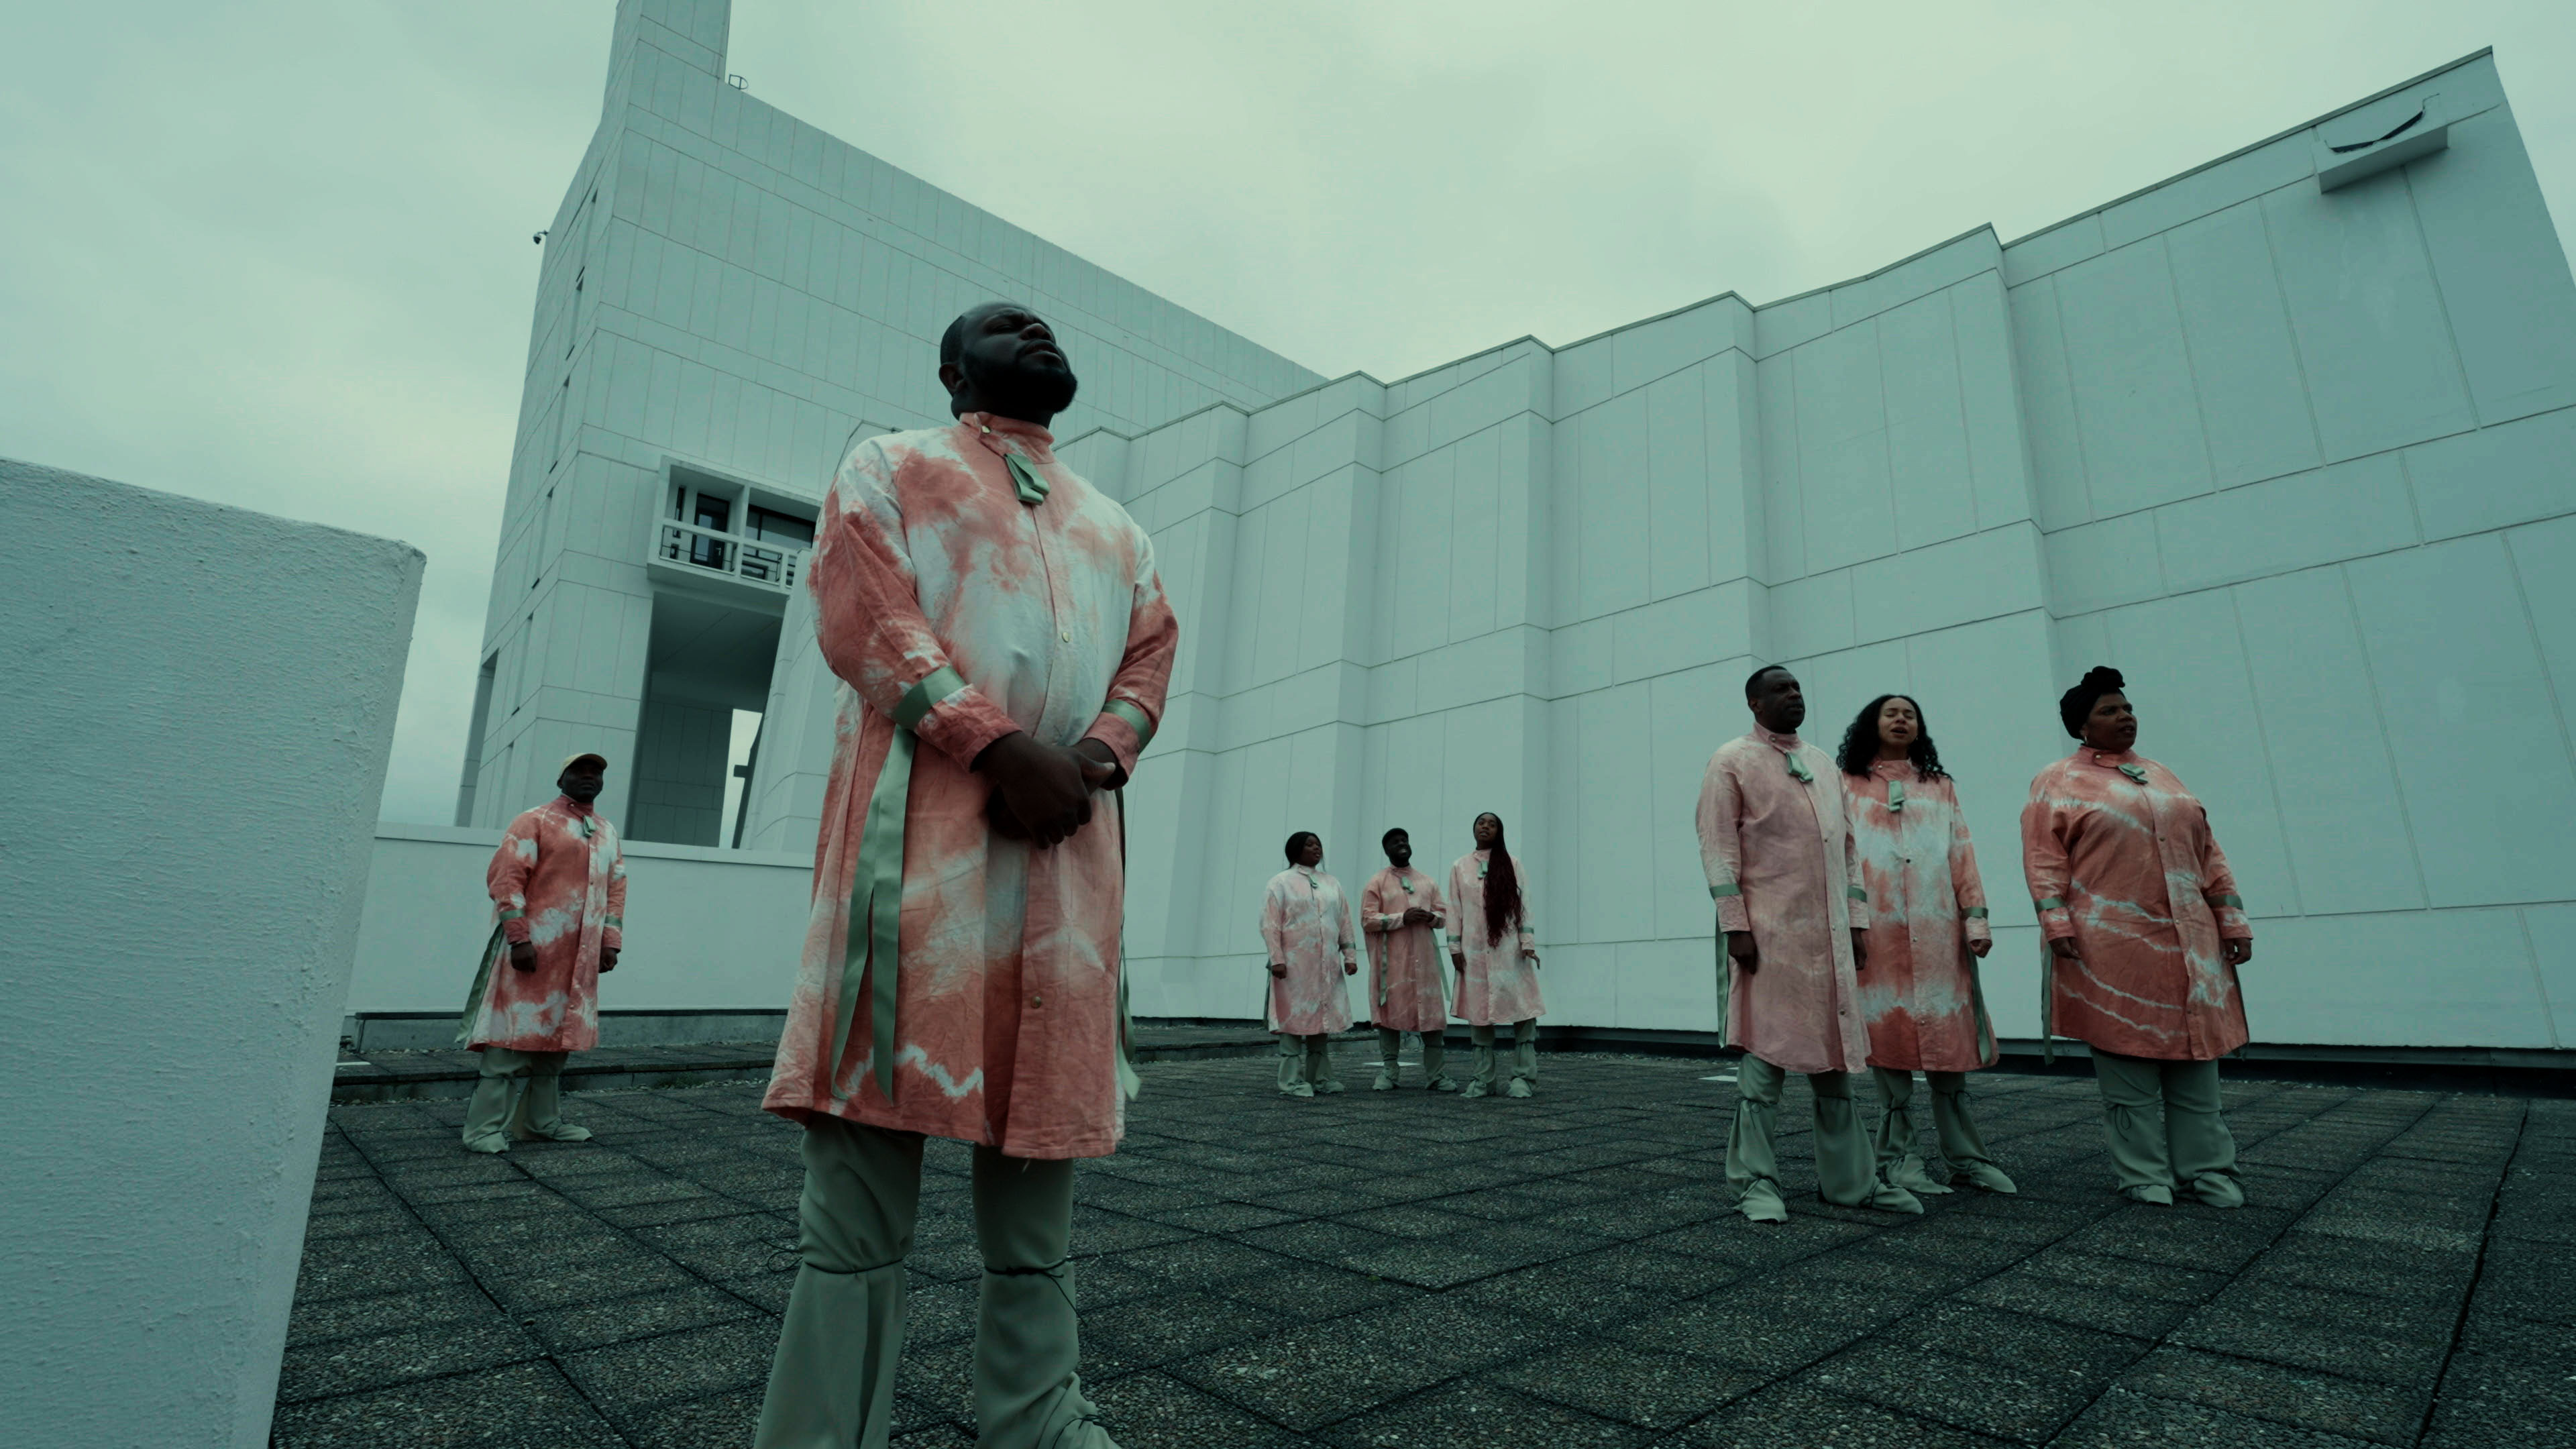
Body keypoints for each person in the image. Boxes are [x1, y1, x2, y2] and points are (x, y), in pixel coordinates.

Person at [755, 302, 1175, 1449]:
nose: (1039, 333)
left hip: (1066, 873)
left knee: (1039, 1176)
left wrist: (1092, 758)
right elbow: (869, 616)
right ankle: (822, 1433)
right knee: (860, 1182)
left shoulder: (1117, 526)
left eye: (1051, 327)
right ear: (952, 370)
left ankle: (1039, 1423)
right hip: (922, 855)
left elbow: (1150, 654)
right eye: (1005, 326)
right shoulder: (893, 464)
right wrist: (993, 742)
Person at [2023, 666, 2253, 1210]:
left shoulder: (2163, 776)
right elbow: (2043, 858)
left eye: (2127, 708)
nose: (2124, 717)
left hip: (2191, 942)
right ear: (2082, 725)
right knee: (2127, 1060)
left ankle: (2208, 1171)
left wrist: (2231, 921)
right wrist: (2056, 924)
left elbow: (2210, 854)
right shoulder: (2058, 780)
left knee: (2197, 1060)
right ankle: (2143, 1173)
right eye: (2109, 710)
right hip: (2113, 942)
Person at [1698, 667, 1923, 1223]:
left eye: (1797, 687)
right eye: (1779, 689)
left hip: (1829, 938)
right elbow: (1717, 845)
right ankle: (1756, 1184)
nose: (1794, 695)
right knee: (1764, 1056)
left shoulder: (1823, 763)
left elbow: (1848, 849)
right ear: (1754, 701)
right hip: (1769, 934)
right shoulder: (1732, 759)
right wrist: (1736, 925)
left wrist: (1856, 922)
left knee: (1835, 1060)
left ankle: (1852, 1183)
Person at [1836, 696, 2016, 1196]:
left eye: (1909, 713)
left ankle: (1967, 1159)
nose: (1900, 718)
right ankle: (1899, 1162)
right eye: (1890, 711)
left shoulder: (1940, 787)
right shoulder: (1844, 785)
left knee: (1950, 1048)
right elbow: (1839, 857)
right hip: (1878, 934)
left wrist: (1975, 920)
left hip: (1940, 934)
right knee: (1889, 1047)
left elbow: (1962, 851)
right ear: (1870, 722)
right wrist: (1849, 922)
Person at [456, 751, 626, 1153]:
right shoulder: (534, 821)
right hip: (533, 952)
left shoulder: (605, 831)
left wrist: (610, 942)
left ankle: (539, 1123)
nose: (588, 777)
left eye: (596, 772)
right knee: (509, 1041)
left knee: (557, 1045)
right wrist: (518, 938)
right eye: (579, 770)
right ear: (561, 778)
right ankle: (483, 1131)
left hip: (579, 957)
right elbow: (506, 879)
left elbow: (616, 888)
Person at [1446, 812, 1544, 1099]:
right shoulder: (1460, 867)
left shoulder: (1512, 864)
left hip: (1509, 951)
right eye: (1480, 822)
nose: (1485, 827)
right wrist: (1454, 948)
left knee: (1522, 1010)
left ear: (1499, 831)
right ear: (1473, 829)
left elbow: (1523, 905)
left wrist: (1527, 942)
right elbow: (1454, 908)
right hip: (1473, 952)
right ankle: (1482, 1081)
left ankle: (1523, 1079)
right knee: (1478, 1015)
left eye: (1492, 824)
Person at [1261, 831, 1359, 1097]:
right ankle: (1292, 1081)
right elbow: (1270, 925)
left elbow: (1345, 921)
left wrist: (1349, 956)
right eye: (1309, 844)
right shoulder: (1280, 883)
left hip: (1327, 966)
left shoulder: (1332, 884)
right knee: (1292, 1018)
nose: (1316, 848)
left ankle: (1321, 1078)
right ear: (1295, 850)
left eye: (1318, 844)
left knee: (1321, 1020)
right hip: (1294, 966)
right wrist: (1277, 959)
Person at [1360, 827, 1455, 1091]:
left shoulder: (1427, 882)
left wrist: (1431, 918)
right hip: (1393, 964)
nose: (1401, 844)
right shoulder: (1376, 882)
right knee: (1390, 1015)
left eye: (1405, 840)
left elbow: (1444, 915)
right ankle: (1389, 1073)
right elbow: (1367, 920)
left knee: (1431, 1016)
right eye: (1395, 842)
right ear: (1386, 849)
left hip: (1425, 963)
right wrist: (1402, 918)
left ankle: (1436, 1076)